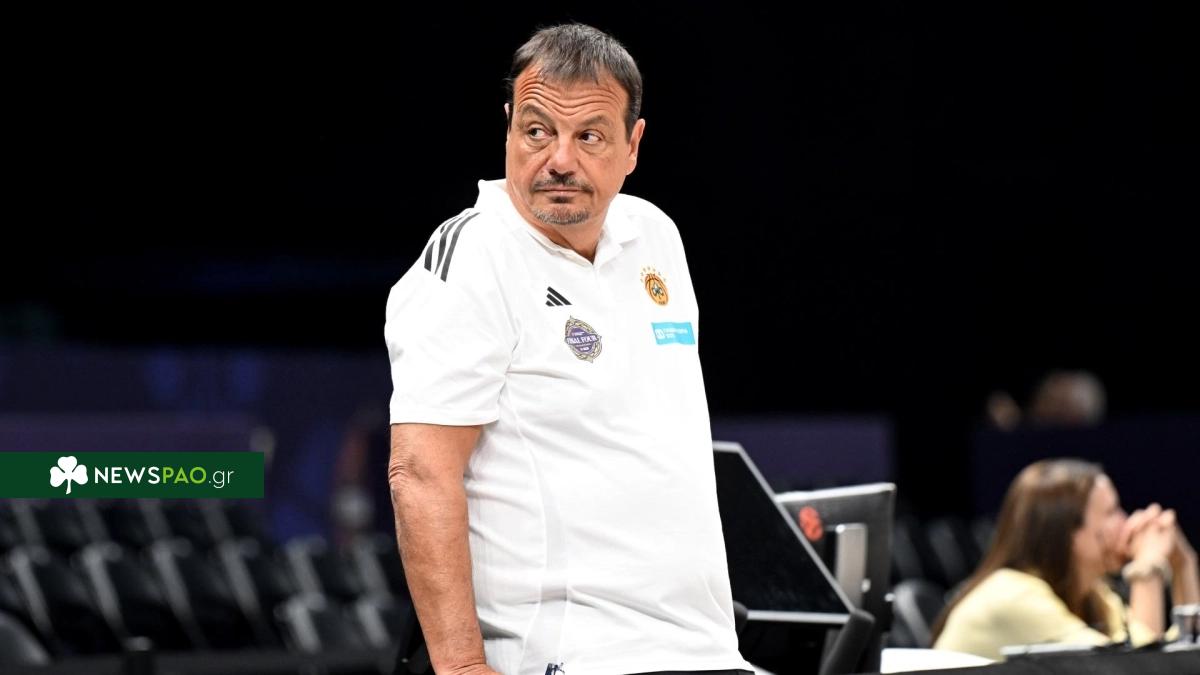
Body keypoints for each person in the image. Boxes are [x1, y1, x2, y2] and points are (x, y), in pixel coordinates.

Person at [384, 24, 752, 675]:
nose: (559, 159)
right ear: (508, 128)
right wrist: (462, 665)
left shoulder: (655, 236)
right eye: (537, 131)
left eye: (589, 136)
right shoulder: (474, 255)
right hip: (567, 654)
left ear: (633, 145)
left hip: (703, 647)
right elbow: (420, 473)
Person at [932, 458, 1199, 661]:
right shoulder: (1013, 595)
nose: (1125, 520)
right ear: (1070, 534)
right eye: (1111, 512)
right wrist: (1147, 567)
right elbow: (1140, 668)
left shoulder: (1094, 595)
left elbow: (1181, 656)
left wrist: (1184, 564)